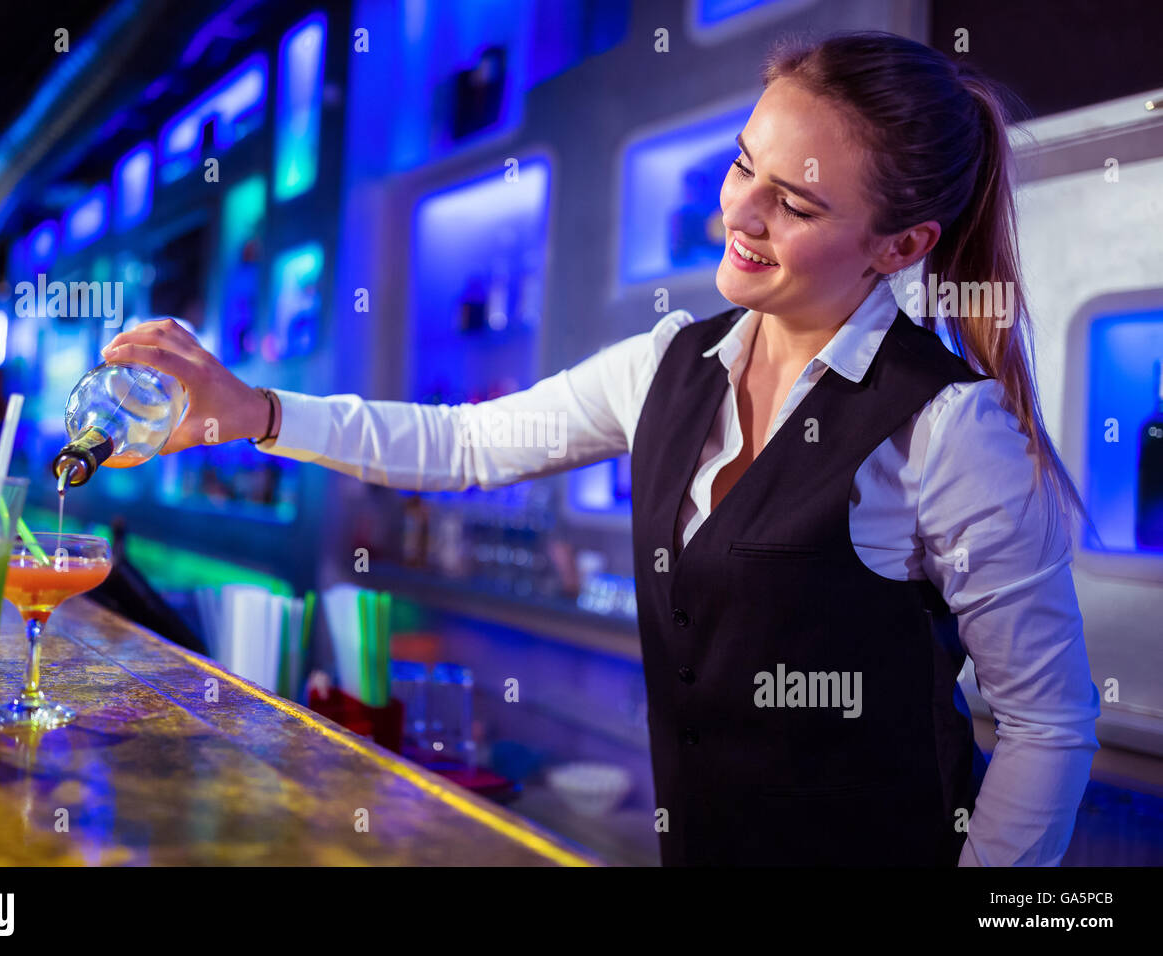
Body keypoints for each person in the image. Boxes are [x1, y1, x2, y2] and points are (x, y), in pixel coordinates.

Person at [102, 31, 1100, 866]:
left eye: (793, 203)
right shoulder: (671, 359)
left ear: (901, 246)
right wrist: (257, 410)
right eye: (742, 164)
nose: (739, 213)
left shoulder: (945, 423)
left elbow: (1047, 722)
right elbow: (466, 441)